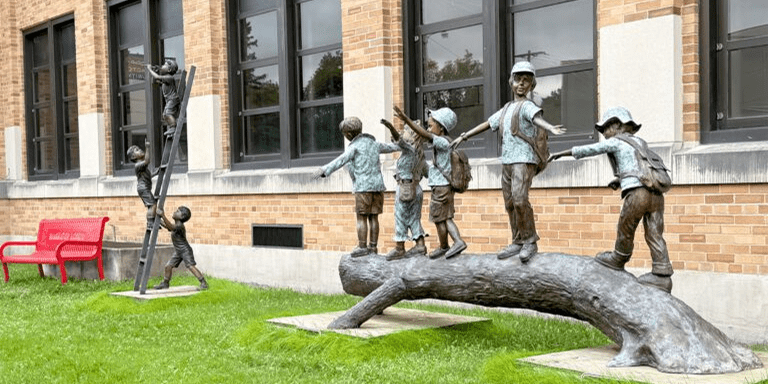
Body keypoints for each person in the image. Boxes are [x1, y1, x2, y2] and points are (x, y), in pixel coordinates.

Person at [549, 106, 673, 293]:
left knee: (625, 226)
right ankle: (662, 274)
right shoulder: (640, 141)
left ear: (617, 125)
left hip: (637, 194)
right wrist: (619, 180)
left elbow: (590, 149)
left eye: (606, 128)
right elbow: (637, 166)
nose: (604, 133)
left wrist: (562, 153)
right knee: (654, 233)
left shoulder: (616, 141)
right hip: (656, 193)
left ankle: (619, 257)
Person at [452, 61, 566, 262]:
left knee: (520, 199)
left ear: (532, 85)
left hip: (523, 160)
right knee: (510, 203)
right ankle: (517, 240)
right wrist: (465, 135)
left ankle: (530, 241)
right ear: (511, 82)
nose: (521, 84)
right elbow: (488, 123)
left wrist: (550, 127)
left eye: (526, 80)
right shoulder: (506, 109)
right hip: (507, 161)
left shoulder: (527, 106)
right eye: (518, 79)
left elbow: (536, 118)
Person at [313, 117, 400, 257]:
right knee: (374, 218)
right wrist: (398, 138)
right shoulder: (374, 144)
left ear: (348, 134)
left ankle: (362, 246)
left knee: (361, 218)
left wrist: (324, 170)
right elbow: (394, 147)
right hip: (378, 187)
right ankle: (373, 247)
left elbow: (341, 160)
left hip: (363, 188)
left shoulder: (354, 147)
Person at [393, 106, 466, 259]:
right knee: (440, 218)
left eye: (431, 125)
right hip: (441, 186)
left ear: (441, 127)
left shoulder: (442, 142)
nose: (428, 128)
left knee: (444, 218)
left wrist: (406, 119)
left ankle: (458, 241)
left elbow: (423, 134)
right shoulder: (444, 142)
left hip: (441, 187)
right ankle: (444, 246)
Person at [380, 119, 429, 260]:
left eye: (406, 130)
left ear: (413, 134)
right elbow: (428, 173)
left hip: (405, 188)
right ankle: (420, 245)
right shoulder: (420, 154)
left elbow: (399, 140)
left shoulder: (409, 149)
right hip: (417, 189)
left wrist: (390, 127)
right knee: (414, 218)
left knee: (400, 217)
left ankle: (399, 248)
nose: (403, 132)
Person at [153, 206, 209, 290]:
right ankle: (165, 283)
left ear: (182, 216)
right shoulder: (176, 225)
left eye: (177, 211)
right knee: (168, 266)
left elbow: (171, 227)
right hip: (178, 251)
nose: (175, 212)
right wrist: (158, 219)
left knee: (190, 266)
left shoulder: (179, 226)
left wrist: (163, 216)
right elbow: (168, 227)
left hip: (185, 250)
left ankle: (203, 283)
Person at [146, 60, 180, 136]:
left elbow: (157, 77)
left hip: (173, 99)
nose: (162, 66)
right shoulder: (166, 80)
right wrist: (156, 71)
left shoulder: (169, 77)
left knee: (168, 113)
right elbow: (157, 81)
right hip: (169, 100)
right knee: (164, 115)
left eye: (164, 65)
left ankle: (173, 127)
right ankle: (171, 128)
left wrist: (150, 69)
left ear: (169, 70)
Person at [126, 141, 158, 222]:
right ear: (133, 157)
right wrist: (147, 147)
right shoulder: (138, 165)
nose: (140, 150)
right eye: (137, 150)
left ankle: (152, 221)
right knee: (153, 205)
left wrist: (156, 173)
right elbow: (147, 161)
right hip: (143, 188)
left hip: (145, 188)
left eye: (139, 148)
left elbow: (147, 176)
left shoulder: (141, 166)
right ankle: (150, 224)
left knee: (152, 206)